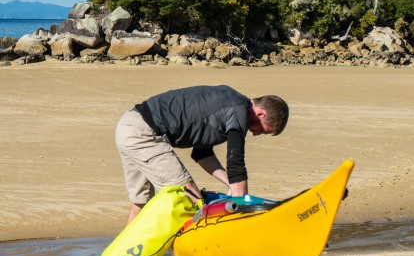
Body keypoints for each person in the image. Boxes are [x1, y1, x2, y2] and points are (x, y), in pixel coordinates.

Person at [115, 85, 289, 224]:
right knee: (189, 200)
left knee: (140, 202)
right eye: (263, 130)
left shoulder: (229, 102)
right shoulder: (239, 111)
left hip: (129, 125)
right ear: (261, 114)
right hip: (145, 134)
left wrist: (229, 182)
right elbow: (236, 160)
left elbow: (201, 153)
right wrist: (240, 203)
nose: (256, 134)